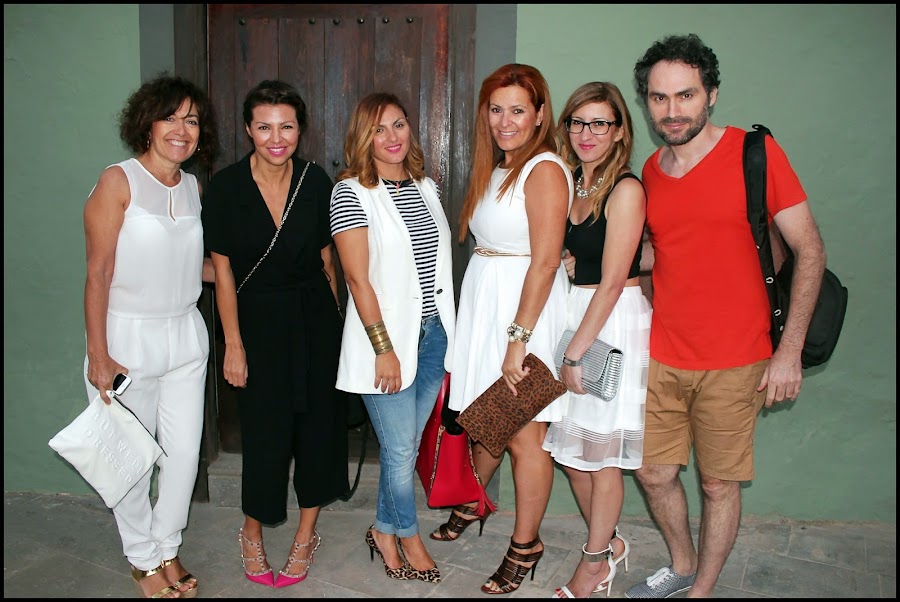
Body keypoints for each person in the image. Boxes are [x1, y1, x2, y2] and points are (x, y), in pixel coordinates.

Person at [624, 34, 826, 598]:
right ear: (647, 102)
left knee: (717, 484)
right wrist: (596, 261)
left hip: (738, 357)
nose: (672, 111)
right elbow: (666, 250)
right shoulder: (651, 170)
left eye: (685, 95)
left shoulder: (753, 153)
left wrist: (788, 352)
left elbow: (809, 249)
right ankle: (683, 563)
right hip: (664, 351)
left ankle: (702, 589)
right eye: (659, 98)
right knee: (653, 473)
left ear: (710, 94)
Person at [201, 80, 349, 589]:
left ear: (300, 129)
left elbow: (328, 262)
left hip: (315, 320)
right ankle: (252, 531)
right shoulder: (226, 187)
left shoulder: (316, 181)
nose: (276, 138)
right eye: (264, 127)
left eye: (286, 126)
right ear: (248, 129)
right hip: (258, 324)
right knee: (264, 434)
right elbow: (223, 273)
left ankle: (306, 535)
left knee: (317, 431)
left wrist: (338, 329)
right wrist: (233, 344)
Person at [432, 63, 573, 595]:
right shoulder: (500, 167)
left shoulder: (543, 168)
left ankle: (525, 544)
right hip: (490, 303)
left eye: (518, 110)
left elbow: (545, 261)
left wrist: (519, 339)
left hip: (524, 312)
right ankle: (474, 501)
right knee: (487, 414)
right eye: (496, 109)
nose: (505, 121)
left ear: (540, 114)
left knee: (525, 435)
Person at [83, 73, 220, 599]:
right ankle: (143, 560)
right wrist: (99, 355)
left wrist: (257, 269)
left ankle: (167, 545)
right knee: (131, 460)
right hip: (126, 337)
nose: (181, 129)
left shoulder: (192, 187)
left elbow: (192, 265)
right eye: (170, 117)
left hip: (185, 333)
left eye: (192, 120)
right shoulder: (117, 181)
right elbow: (98, 272)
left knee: (183, 455)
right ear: (147, 123)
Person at [329, 92, 456, 584]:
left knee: (404, 447)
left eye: (398, 124)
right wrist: (384, 349)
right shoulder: (350, 193)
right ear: (363, 138)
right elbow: (357, 279)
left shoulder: (427, 187)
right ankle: (407, 535)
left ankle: (382, 529)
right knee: (401, 450)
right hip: (385, 343)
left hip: (434, 336)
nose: (391, 137)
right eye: (378, 129)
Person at [543, 82, 652, 599]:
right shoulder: (573, 183)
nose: (587, 133)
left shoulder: (625, 189)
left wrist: (574, 353)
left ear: (619, 131)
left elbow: (612, 282)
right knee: (572, 455)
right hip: (578, 315)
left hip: (611, 325)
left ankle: (592, 564)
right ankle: (609, 544)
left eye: (600, 123)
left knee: (602, 457)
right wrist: (571, 263)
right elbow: (586, 258)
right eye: (578, 122)